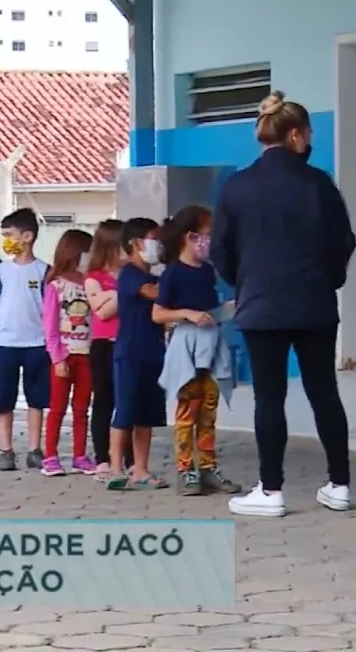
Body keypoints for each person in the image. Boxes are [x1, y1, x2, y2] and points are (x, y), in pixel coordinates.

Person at [214, 90, 356, 517]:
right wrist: (328, 280)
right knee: (324, 394)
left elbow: (221, 250)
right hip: (314, 304)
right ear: (295, 134)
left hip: (261, 306)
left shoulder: (237, 186)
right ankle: (339, 484)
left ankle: (271, 490)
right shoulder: (320, 184)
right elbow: (343, 241)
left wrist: (245, 282)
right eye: (309, 132)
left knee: (269, 398)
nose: (310, 139)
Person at [153, 205, 243, 496]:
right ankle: (185, 470)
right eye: (204, 235)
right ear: (188, 236)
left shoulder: (207, 272)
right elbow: (158, 314)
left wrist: (229, 310)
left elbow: (212, 310)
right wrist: (187, 314)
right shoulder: (172, 274)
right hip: (187, 351)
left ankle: (208, 468)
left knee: (208, 414)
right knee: (186, 414)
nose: (208, 241)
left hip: (212, 349)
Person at [0, 207, 49, 471]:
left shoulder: (45, 271)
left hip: (37, 344)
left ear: (28, 236)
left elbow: (50, 308)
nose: (6, 240)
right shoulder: (0, 270)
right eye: (3, 235)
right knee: (3, 400)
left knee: (37, 399)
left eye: (10, 234)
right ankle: (5, 449)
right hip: (5, 344)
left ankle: (35, 448)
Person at [107, 218, 168, 490]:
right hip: (129, 353)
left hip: (153, 353)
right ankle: (116, 467)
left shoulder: (155, 276)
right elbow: (155, 293)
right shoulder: (131, 273)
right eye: (153, 239)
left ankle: (141, 469)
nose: (157, 245)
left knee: (146, 417)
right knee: (125, 412)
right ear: (136, 243)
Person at [39, 229, 95, 476]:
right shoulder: (56, 286)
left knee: (82, 408)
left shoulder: (91, 284)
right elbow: (50, 326)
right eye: (87, 251)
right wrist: (57, 357)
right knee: (58, 408)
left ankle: (80, 455)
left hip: (88, 354)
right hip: (64, 355)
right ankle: (50, 456)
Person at [84, 218, 126, 478]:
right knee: (103, 400)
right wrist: (120, 295)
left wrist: (108, 297)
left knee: (127, 401)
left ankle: (128, 457)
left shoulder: (132, 275)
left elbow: (104, 304)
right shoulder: (93, 277)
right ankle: (102, 456)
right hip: (102, 346)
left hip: (127, 343)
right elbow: (100, 312)